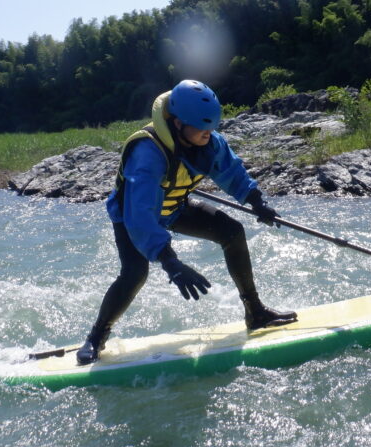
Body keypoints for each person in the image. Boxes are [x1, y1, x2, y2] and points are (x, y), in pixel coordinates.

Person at [76, 79, 298, 364]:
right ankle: (96, 337)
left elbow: (231, 170)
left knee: (232, 231)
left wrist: (257, 201)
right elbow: (140, 216)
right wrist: (171, 263)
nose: (209, 134)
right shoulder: (147, 153)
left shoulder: (208, 140)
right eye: (201, 128)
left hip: (174, 206)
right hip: (131, 215)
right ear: (177, 123)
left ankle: (255, 312)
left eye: (211, 128)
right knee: (135, 273)